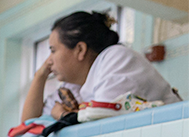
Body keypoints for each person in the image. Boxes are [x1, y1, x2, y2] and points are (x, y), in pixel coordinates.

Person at [22, 11, 181, 122]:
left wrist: (62, 115)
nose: (49, 61)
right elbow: (28, 127)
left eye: (53, 50)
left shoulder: (117, 58)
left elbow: (101, 124)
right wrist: (39, 76)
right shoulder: (73, 88)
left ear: (80, 50)